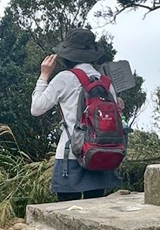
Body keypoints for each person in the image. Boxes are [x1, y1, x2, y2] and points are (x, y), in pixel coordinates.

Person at [31, 27, 123, 201]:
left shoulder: (65, 78)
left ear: (68, 55)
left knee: (67, 215)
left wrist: (43, 76)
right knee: (94, 215)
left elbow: (36, 108)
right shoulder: (106, 82)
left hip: (72, 154)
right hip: (101, 154)